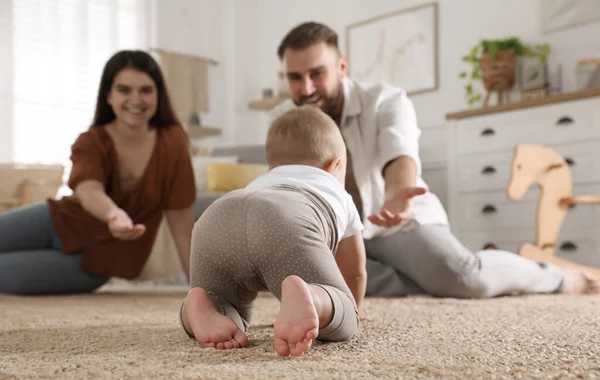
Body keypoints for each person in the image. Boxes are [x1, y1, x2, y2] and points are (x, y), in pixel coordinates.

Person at [270, 21, 600, 298]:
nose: (307, 88)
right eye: (295, 78)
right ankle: (423, 283)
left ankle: (557, 277)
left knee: (463, 278)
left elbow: (400, 153)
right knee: (288, 278)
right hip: (336, 232)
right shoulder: (283, 118)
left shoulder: (385, 100)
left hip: (394, 222)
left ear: (342, 67)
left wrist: (398, 193)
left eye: (317, 74)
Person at [0, 50, 196, 295]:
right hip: (53, 221)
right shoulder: (91, 140)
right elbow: (87, 188)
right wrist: (113, 214)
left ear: (158, 95)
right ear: (109, 96)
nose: (135, 100)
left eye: (146, 90)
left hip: (97, 262)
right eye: (124, 90)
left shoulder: (173, 142)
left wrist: (201, 291)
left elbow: (181, 222)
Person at [180, 105, 366, 357]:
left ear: (270, 166)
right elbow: (353, 273)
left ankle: (204, 305)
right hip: (283, 222)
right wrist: (349, 306)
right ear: (335, 166)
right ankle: (312, 296)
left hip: (217, 216)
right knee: (344, 316)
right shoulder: (339, 194)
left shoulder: (261, 183)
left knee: (224, 301)